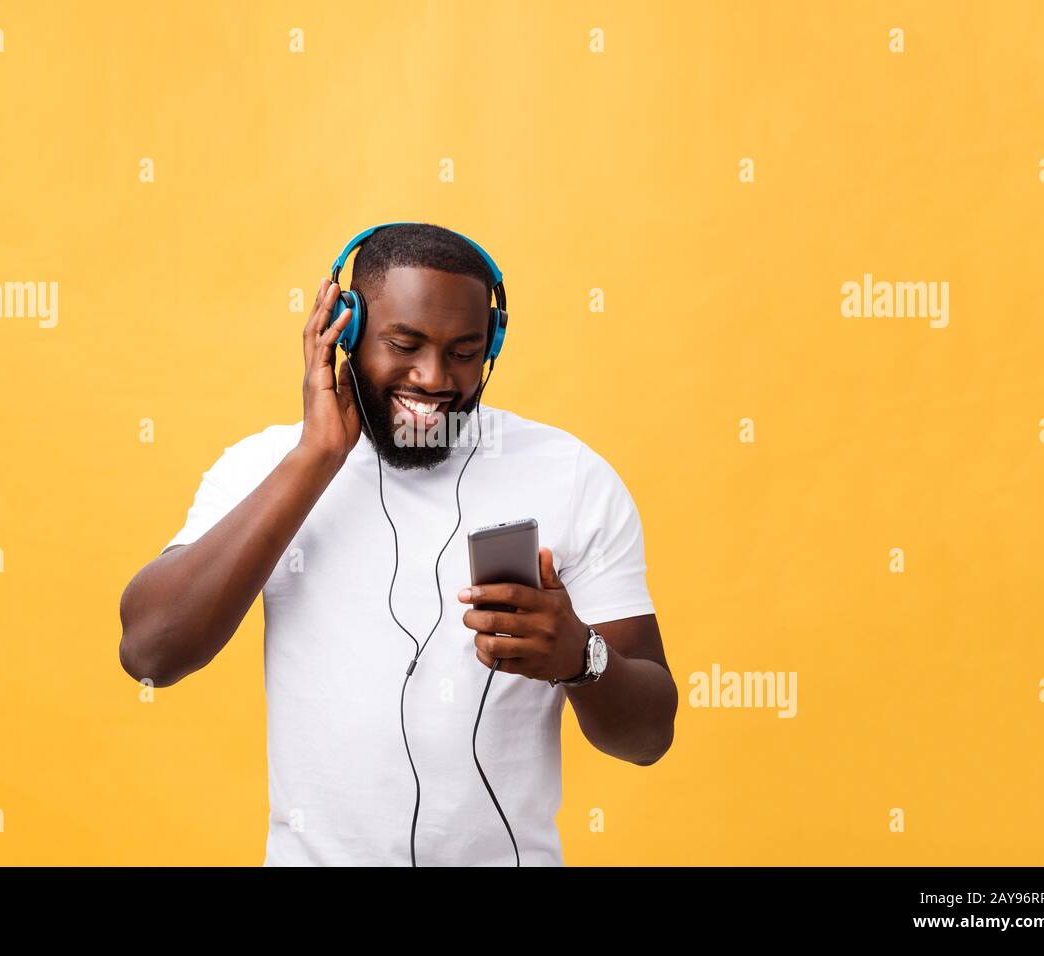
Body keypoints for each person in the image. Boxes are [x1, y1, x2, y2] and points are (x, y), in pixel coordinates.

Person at [118, 222, 678, 866]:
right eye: (403, 344)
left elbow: (649, 735)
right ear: (343, 332)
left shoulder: (570, 474)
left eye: (465, 351)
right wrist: (317, 456)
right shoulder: (265, 467)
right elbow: (151, 655)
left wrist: (582, 657)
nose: (435, 378)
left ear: (492, 343)